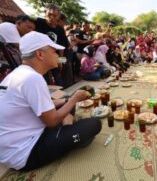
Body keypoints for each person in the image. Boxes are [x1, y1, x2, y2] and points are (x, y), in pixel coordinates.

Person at [0, 31, 102, 171]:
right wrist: (74, 99)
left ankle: (65, 132)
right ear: (40, 54)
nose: (57, 55)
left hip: (16, 144)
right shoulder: (32, 78)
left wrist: (67, 100)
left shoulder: (19, 74)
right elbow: (52, 120)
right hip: (25, 152)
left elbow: (34, 107)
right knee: (94, 124)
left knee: (65, 100)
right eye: (54, 51)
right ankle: (66, 136)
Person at [35, 4, 69, 86]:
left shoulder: (60, 29)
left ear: (58, 16)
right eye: (49, 15)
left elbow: (62, 46)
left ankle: (61, 96)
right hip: (40, 58)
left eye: (55, 15)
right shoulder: (38, 22)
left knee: (58, 78)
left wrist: (61, 61)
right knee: (44, 80)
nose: (52, 17)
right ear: (45, 13)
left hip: (54, 58)